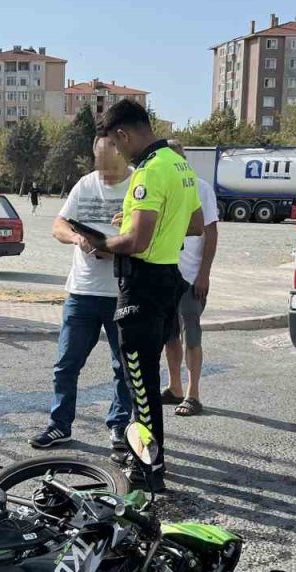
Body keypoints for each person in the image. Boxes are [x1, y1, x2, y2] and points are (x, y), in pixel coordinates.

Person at [94, 100, 204, 492]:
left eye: (117, 146)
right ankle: (149, 467)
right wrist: (141, 223)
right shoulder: (179, 165)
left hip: (140, 286)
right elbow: (194, 224)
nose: (119, 154)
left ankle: (148, 474)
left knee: (141, 388)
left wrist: (105, 242)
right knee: (146, 382)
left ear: (123, 134)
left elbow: (137, 242)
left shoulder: (150, 171)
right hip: (166, 281)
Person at [29, 136, 133, 455]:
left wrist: (115, 244)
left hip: (122, 292)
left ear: (121, 153)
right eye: (97, 161)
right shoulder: (85, 184)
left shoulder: (138, 183)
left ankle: (119, 425)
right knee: (66, 363)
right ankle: (60, 424)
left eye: (108, 162)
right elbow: (58, 224)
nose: (103, 170)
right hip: (82, 291)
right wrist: (77, 238)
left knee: (124, 366)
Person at [162, 140, 219, 418]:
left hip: (190, 276)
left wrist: (204, 274)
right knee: (169, 335)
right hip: (164, 275)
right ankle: (174, 387)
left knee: (191, 336)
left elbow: (211, 233)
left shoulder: (201, 188)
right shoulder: (162, 187)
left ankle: (193, 393)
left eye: (178, 160)